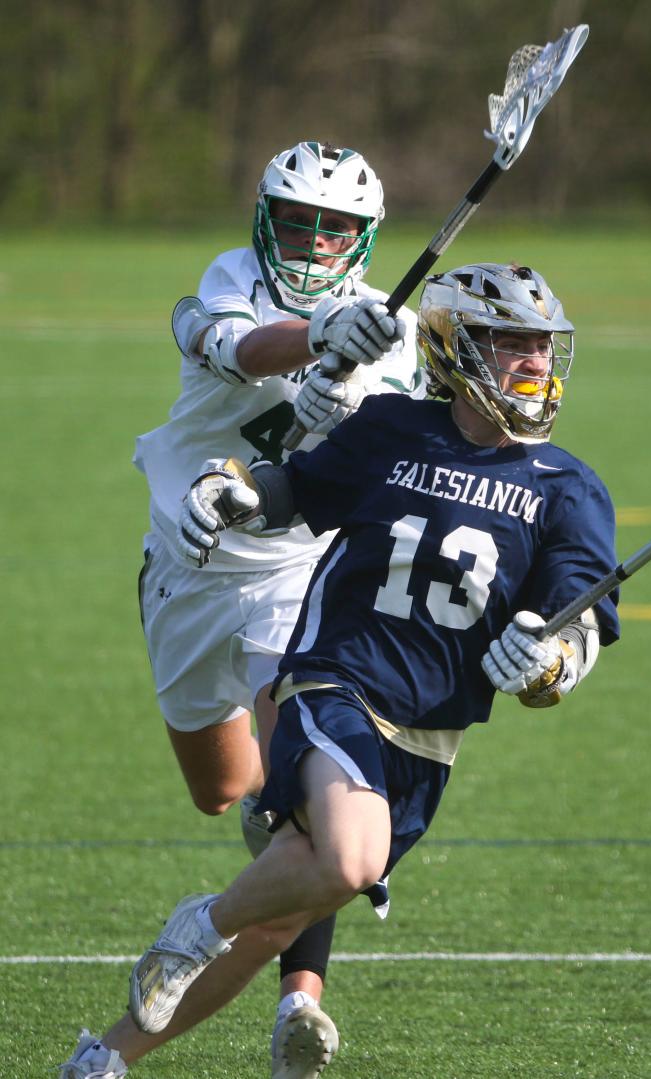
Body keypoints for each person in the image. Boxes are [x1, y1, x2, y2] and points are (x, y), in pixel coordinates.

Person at [60, 262, 619, 1075]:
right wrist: (232, 490)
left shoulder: (569, 487)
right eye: (510, 344)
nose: (533, 363)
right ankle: (197, 926)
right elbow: (296, 491)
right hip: (336, 680)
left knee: (287, 916)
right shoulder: (394, 427)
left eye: (542, 346)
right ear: (456, 349)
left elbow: (582, 620)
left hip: (429, 737)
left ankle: (104, 1058)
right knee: (351, 860)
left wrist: (550, 663)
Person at [59, 141, 421, 1079]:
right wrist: (322, 338)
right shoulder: (233, 279)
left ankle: (300, 1000)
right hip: (185, 568)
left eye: (334, 226)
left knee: (297, 807)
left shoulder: (400, 334)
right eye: (297, 219)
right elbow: (239, 346)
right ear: (265, 219)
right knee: (223, 790)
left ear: (364, 236)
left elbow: (401, 455)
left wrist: (360, 392)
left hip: (296, 578)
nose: (312, 238)